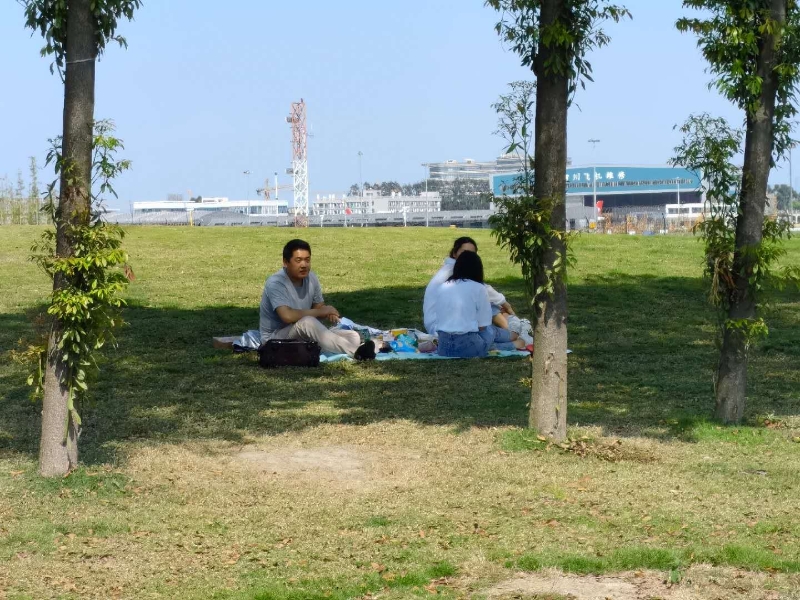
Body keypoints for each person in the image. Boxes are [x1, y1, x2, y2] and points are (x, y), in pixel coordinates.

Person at [259, 239, 375, 360]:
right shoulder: (276, 283)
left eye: (307, 260)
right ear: (285, 262)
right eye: (298, 260)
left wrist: (328, 313)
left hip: (302, 332)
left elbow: (318, 308)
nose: (304, 265)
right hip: (275, 340)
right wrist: (321, 312)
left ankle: (354, 347)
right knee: (307, 322)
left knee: (353, 336)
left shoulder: (311, 277)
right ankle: (357, 352)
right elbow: (287, 316)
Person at [423, 236, 517, 336]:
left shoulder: (449, 270)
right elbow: (486, 292)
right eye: (464, 252)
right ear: (454, 253)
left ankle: (510, 330)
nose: (467, 257)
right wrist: (506, 304)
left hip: (443, 330)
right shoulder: (454, 272)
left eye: (471, 253)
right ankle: (511, 332)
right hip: (441, 329)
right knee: (489, 306)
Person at [436, 251, 522, 358]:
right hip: (470, 347)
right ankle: (513, 338)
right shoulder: (479, 288)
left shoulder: (442, 287)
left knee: (487, 331)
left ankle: (507, 339)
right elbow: (482, 326)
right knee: (491, 330)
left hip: (443, 348)